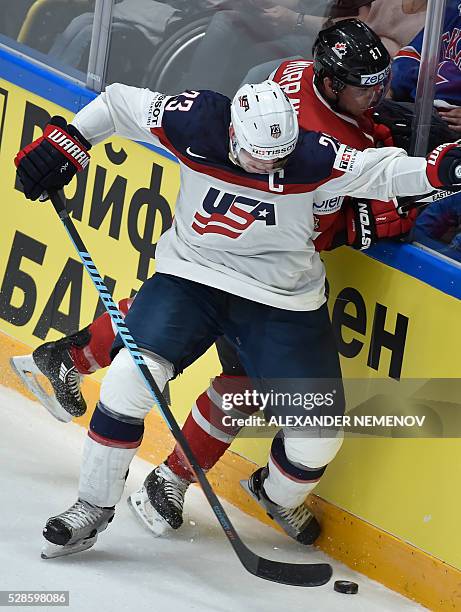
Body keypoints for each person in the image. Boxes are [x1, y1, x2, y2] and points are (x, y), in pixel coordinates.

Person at [14, 20, 461, 559]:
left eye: (282, 157)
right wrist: (68, 141)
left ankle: (272, 494)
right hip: (193, 277)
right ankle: (92, 506)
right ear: (230, 133)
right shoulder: (196, 121)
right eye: (259, 158)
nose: (272, 169)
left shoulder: (314, 157)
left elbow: (385, 172)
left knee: (319, 435)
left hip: (282, 302)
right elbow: (117, 103)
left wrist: (441, 169)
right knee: (132, 379)